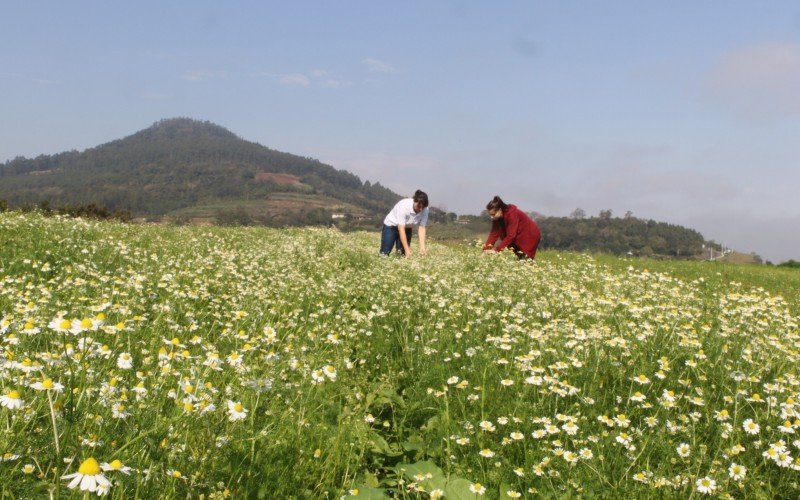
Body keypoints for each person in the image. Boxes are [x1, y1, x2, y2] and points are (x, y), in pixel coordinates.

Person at [482, 195, 541, 260]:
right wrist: (485, 250)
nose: (491, 217)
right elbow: (494, 234)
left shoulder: (512, 214)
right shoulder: (496, 218)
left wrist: (496, 251)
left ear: (500, 210)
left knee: (526, 259)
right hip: (517, 235)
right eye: (490, 215)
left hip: (529, 235)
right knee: (518, 260)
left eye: (493, 214)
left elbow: (511, 236)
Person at [380, 190, 429, 257]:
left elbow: (422, 228)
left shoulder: (425, 210)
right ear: (414, 201)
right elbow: (401, 229)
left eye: (422, 207)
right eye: (419, 206)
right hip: (391, 226)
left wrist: (422, 248)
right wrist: (407, 249)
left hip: (407, 228)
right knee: (385, 252)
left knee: (402, 255)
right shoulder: (404, 206)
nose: (421, 209)